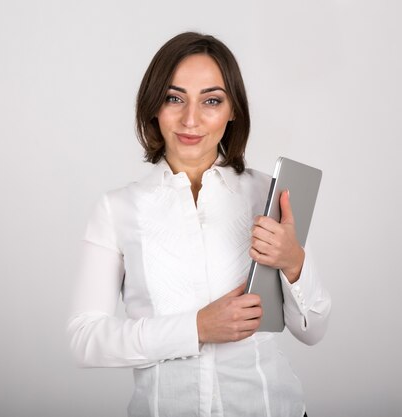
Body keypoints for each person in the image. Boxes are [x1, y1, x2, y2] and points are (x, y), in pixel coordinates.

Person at [67, 32, 331, 417]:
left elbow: (314, 330)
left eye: (211, 100)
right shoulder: (117, 209)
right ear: (153, 106)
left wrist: (294, 262)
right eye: (174, 98)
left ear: (233, 110)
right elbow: (84, 339)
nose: (191, 119)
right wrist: (196, 328)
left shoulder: (267, 195)